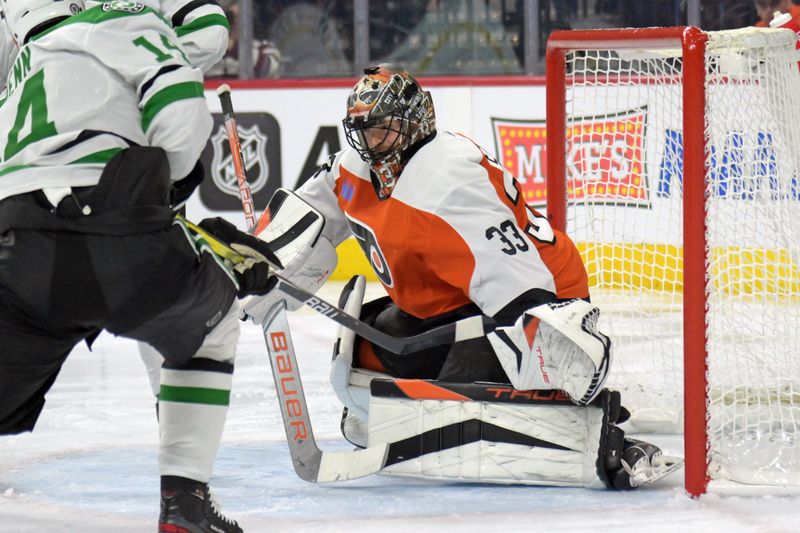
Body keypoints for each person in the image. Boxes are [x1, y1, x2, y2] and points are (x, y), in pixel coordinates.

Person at [241, 64, 675, 490]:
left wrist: (554, 355)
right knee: (366, 355)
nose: (372, 143)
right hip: (448, 303)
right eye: (364, 130)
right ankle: (427, 415)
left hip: (537, 295)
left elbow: (519, 280)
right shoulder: (353, 167)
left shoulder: (449, 183)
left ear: (415, 123)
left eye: (384, 130)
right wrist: (257, 264)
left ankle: (593, 440)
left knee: (458, 398)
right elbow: (307, 215)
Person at [0, 1, 276, 531]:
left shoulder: (21, 69)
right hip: (111, 233)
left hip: (16, 244)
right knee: (209, 327)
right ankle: (184, 505)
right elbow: (181, 117)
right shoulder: (128, 20)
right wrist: (160, 205)